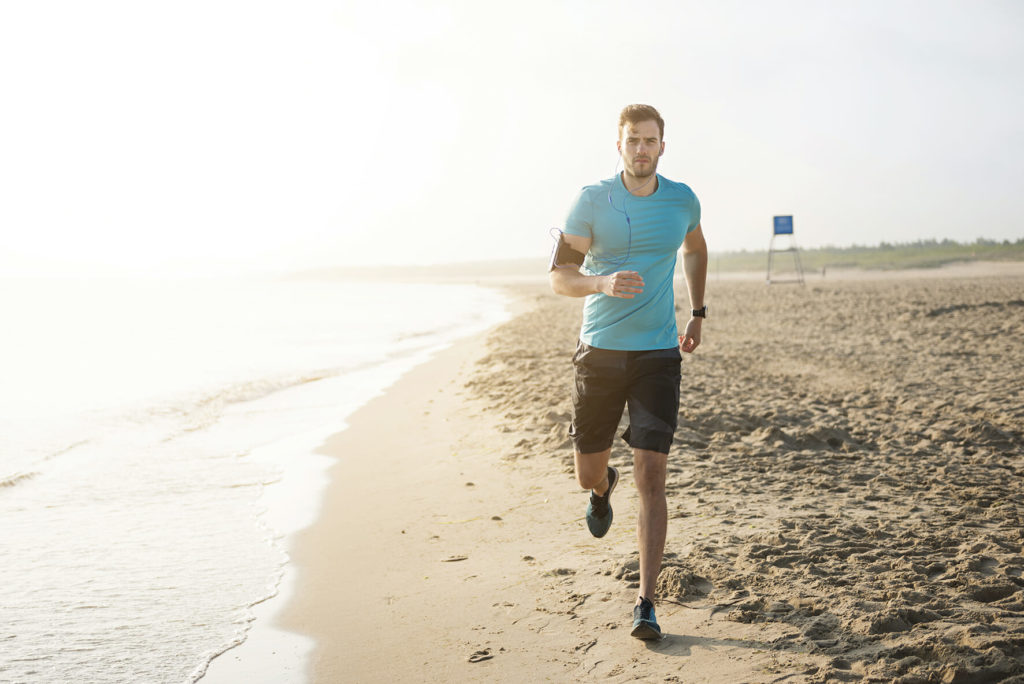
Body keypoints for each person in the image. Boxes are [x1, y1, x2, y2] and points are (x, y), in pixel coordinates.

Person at [548, 104, 707, 640]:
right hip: (600, 353)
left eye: (650, 140)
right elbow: (560, 277)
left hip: (658, 355)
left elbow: (696, 247)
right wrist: (602, 282)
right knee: (588, 473)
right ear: (618, 146)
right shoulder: (594, 200)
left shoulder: (682, 199)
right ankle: (601, 488)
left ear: (664, 145)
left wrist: (698, 311)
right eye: (633, 140)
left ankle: (646, 603)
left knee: (652, 476)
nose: (642, 149)